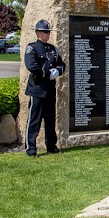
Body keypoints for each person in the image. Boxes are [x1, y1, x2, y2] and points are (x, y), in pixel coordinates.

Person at [24, 19, 66, 156]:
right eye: (45, 32)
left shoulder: (53, 49)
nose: (48, 34)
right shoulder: (32, 48)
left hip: (49, 90)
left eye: (48, 32)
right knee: (34, 120)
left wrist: (58, 71)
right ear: (38, 33)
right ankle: (30, 148)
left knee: (50, 119)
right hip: (37, 89)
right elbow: (31, 66)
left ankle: (51, 146)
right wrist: (48, 73)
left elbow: (61, 65)